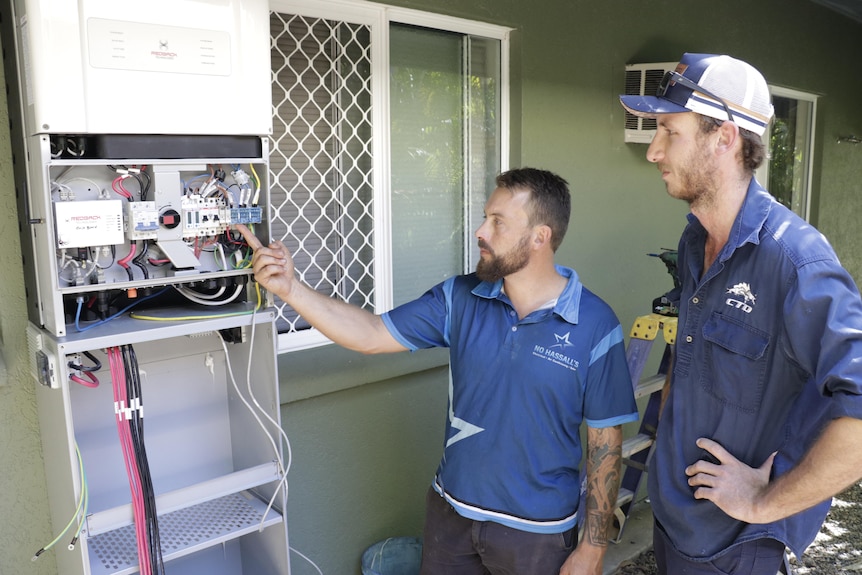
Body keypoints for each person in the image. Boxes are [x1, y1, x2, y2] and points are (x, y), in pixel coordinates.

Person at [236, 167, 639, 575]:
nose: (481, 231)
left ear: (540, 237)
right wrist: (290, 289)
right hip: (451, 516)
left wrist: (592, 548)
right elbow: (372, 333)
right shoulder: (460, 298)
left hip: (538, 534)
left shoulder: (594, 324)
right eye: (485, 217)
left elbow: (605, 445)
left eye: (498, 222)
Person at [619, 53, 862, 574]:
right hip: (672, 518)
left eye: (668, 130)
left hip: (734, 546)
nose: (653, 151)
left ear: (724, 137)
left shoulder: (796, 261)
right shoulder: (694, 240)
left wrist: (763, 503)